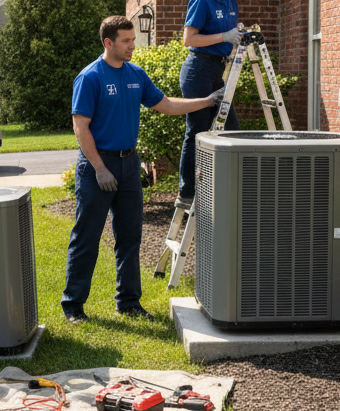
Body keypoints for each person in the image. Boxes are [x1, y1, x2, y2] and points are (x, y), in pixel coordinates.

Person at [63, 16, 224, 323]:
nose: (132, 46)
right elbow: (80, 127)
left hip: (128, 165)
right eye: (126, 41)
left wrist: (206, 101)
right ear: (108, 42)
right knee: (86, 237)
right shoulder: (90, 77)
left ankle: (128, 302)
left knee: (130, 237)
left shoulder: (136, 74)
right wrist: (99, 168)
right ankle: (73, 306)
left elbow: (166, 105)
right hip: (98, 167)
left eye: (133, 40)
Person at [177, 0, 245, 207]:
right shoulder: (202, 0)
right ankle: (187, 192)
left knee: (232, 130)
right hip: (198, 71)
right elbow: (189, 39)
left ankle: (230, 185)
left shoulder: (230, 1)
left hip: (218, 71)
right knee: (197, 130)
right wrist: (224, 36)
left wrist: (237, 36)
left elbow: (228, 33)